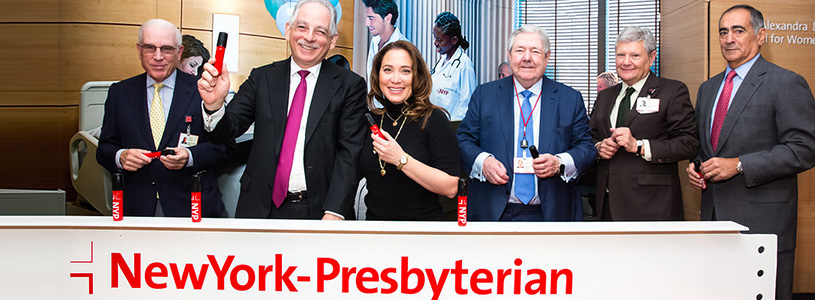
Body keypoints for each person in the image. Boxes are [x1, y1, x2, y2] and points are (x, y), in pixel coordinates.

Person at [685, 5, 815, 300]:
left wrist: (740, 164)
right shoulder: (708, 88)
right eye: (723, 32)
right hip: (715, 221)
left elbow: (804, 149)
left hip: (763, 224)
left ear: (761, 36)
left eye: (738, 30)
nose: (729, 39)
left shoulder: (786, 83)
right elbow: (707, 147)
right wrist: (697, 166)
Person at [197, 0, 367, 220]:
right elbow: (226, 131)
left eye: (321, 31)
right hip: (259, 208)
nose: (309, 37)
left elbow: (350, 153)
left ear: (332, 40)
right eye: (302, 27)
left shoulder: (349, 85)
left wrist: (334, 211)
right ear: (288, 30)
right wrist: (214, 105)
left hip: (320, 212)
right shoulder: (262, 78)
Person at [457, 24, 596, 221]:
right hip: (493, 211)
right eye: (520, 50)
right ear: (510, 55)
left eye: (535, 51)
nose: (527, 58)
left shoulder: (569, 99)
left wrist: (559, 163)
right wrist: (483, 162)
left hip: (552, 213)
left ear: (547, 57)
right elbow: (464, 139)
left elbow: (586, 148)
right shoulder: (484, 95)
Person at [96, 19, 232, 217]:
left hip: (193, 207)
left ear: (179, 52)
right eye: (150, 48)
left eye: (166, 49)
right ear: (139, 50)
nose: (157, 57)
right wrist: (121, 156)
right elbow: (104, 149)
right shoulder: (120, 93)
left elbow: (225, 146)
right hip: (137, 209)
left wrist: (190, 157)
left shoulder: (203, 90)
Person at [590, 26, 698, 221]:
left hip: (652, 206)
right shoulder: (605, 96)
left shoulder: (672, 91)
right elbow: (589, 136)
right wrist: (599, 147)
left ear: (652, 57)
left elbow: (688, 143)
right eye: (620, 55)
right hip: (606, 205)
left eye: (634, 56)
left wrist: (639, 146)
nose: (626, 62)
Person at [360, 40, 460, 220]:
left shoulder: (434, 119)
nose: (396, 79)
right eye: (388, 70)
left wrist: (400, 159)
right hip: (375, 232)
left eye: (405, 71)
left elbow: (451, 187)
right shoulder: (369, 120)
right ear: (377, 75)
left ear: (416, 76)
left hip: (422, 233)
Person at [429, 12, 476, 123]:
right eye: (434, 37)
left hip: (451, 128)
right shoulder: (442, 61)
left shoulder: (464, 65)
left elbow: (466, 106)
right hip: (435, 125)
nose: (435, 43)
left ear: (454, 40)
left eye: (439, 40)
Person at [363, 0, 408, 83]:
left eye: (371, 18)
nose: (367, 23)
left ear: (388, 18)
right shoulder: (375, 42)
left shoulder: (404, 48)